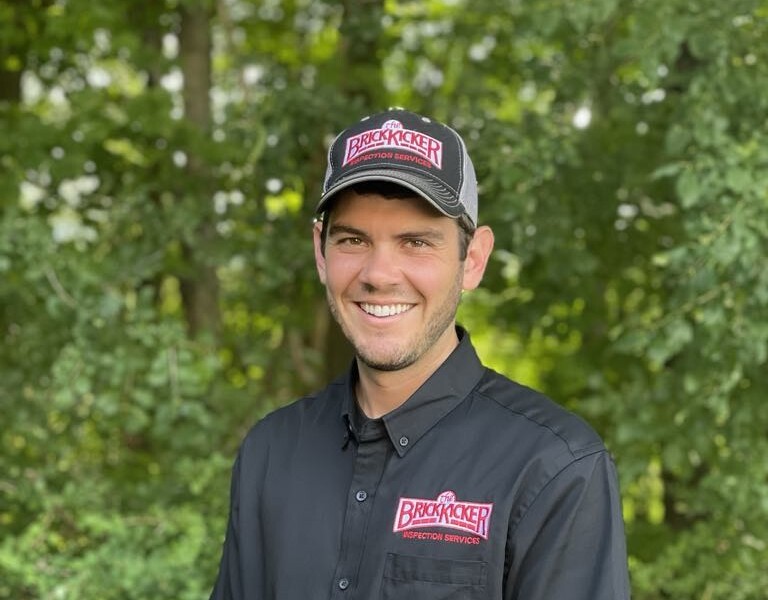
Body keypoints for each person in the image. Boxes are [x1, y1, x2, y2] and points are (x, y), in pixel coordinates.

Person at [209, 108, 631, 599]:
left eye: (415, 242)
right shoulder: (272, 452)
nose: (379, 274)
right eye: (353, 239)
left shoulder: (555, 467)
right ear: (321, 253)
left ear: (472, 260)